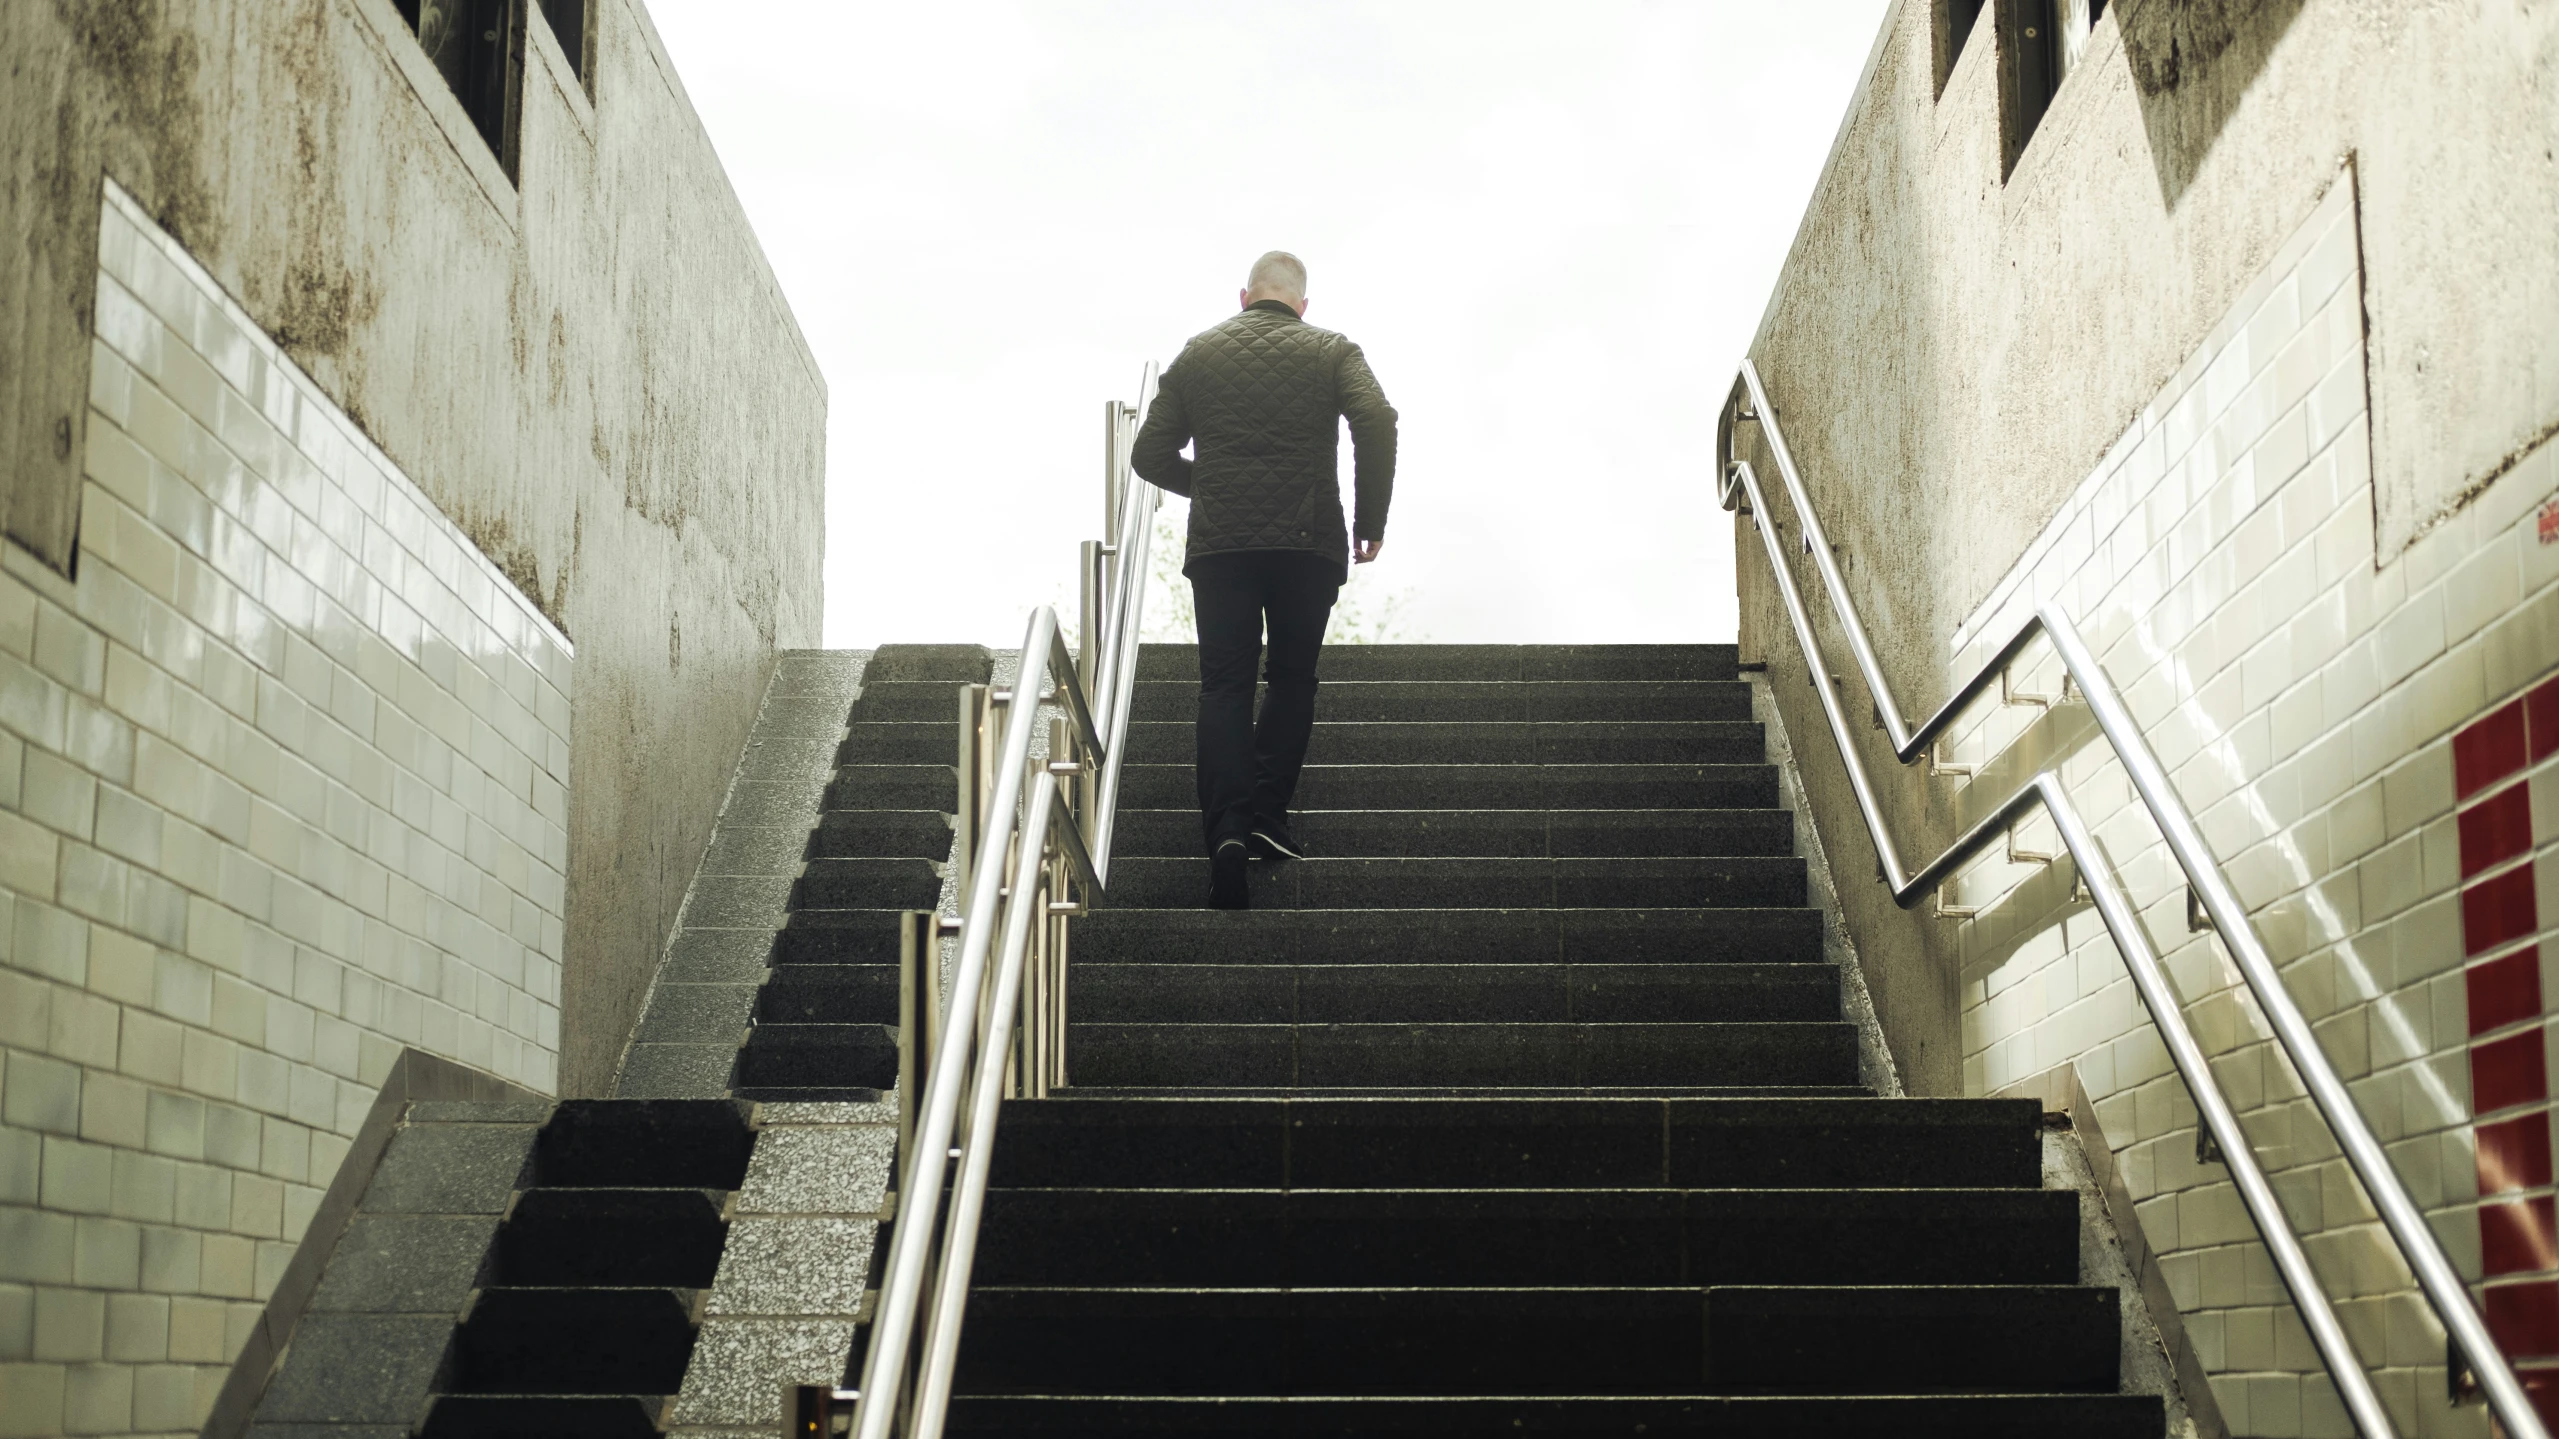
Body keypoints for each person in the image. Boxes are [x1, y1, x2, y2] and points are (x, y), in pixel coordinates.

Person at [1132, 250, 1399, 910]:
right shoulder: (1333, 349)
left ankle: (1224, 832)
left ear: (1245, 296)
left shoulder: (1200, 352)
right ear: (1301, 305)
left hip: (1222, 544)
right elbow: (1377, 419)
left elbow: (1147, 453)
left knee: (1223, 683)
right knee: (1290, 676)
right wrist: (1369, 519)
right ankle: (1264, 817)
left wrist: (1215, 487)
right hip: (1308, 541)